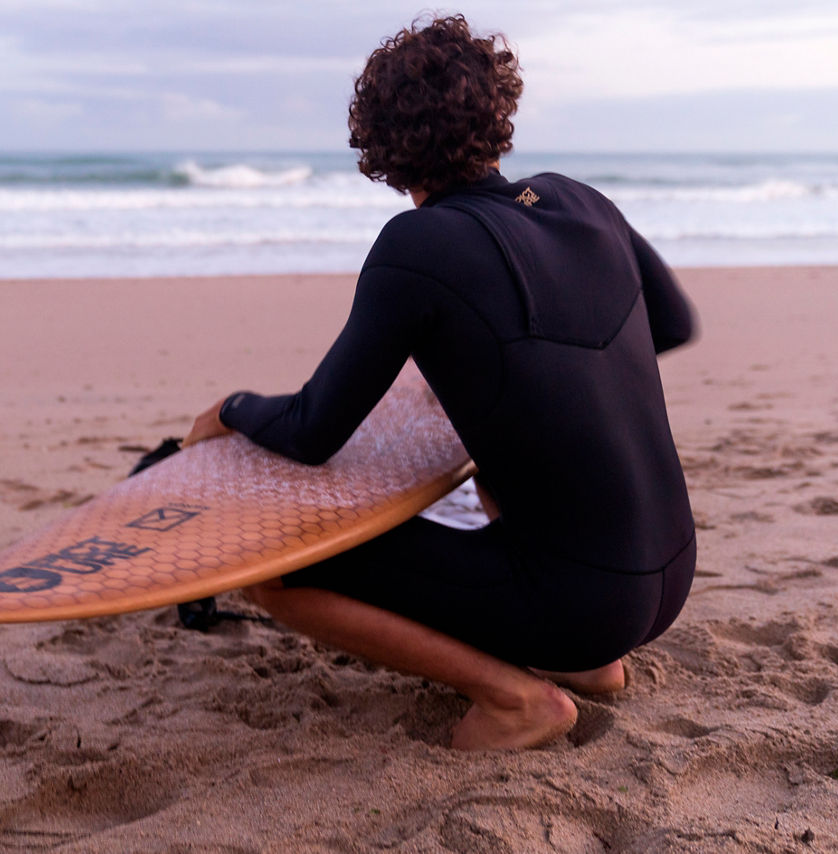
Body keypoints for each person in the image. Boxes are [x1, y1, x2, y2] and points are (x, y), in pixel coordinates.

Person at [183, 15, 696, 751]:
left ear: (383, 147)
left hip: (583, 599)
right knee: (501, 486)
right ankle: (591, 667)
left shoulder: (416, 246)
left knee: (277, 578)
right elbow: (671, 326)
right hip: (671, 574)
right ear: (497, 114)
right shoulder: (581, 201)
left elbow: (312, 432)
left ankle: (518, 700)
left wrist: (230, 410)